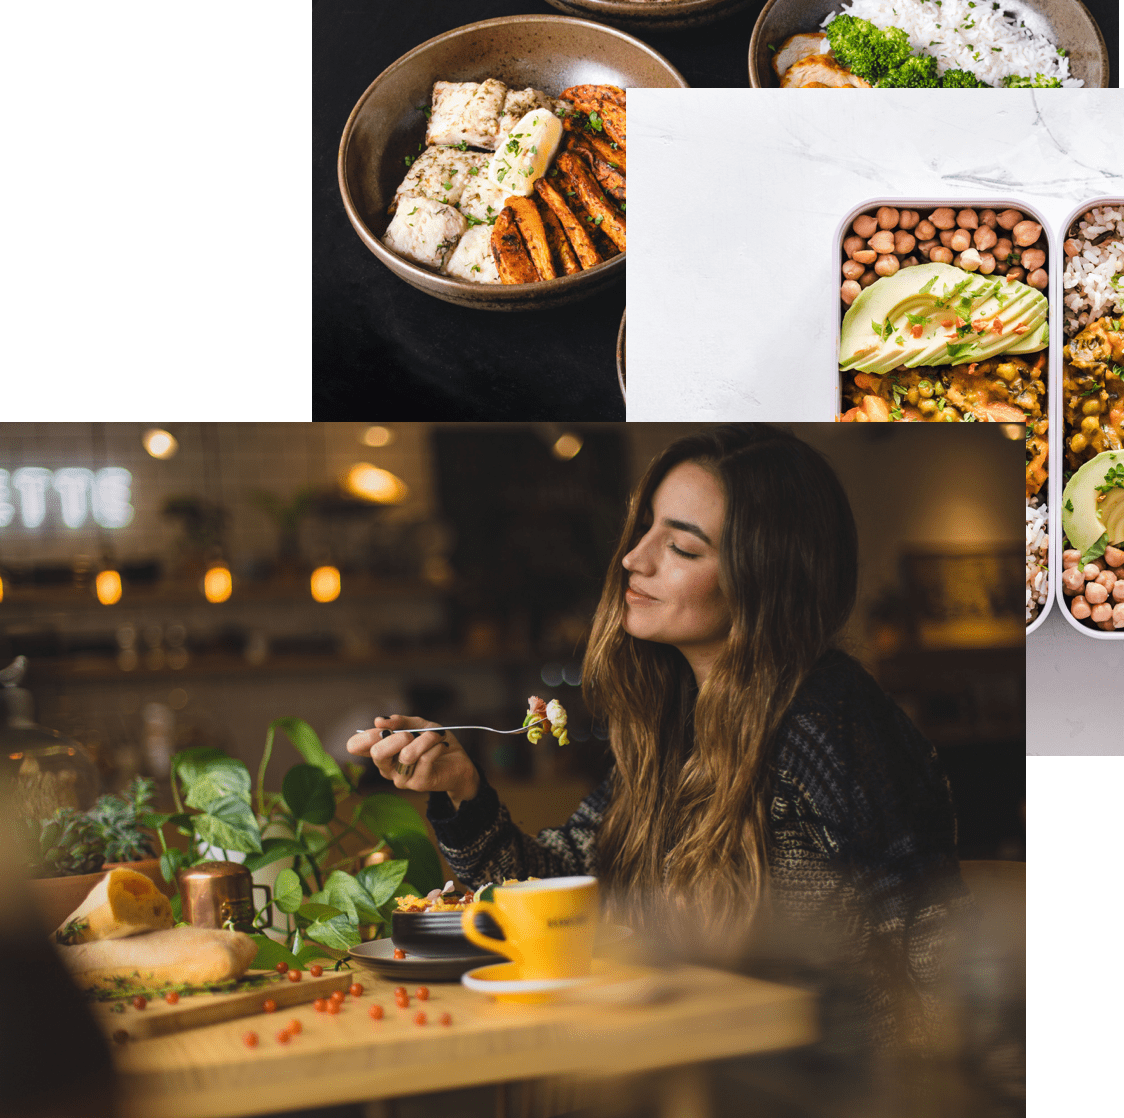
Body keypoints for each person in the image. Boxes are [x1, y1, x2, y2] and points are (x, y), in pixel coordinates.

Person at [347, 425, 963, 1038]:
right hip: (690, 1058)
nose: (632, 559)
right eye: (646, 530)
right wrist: (463, 790)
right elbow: (567, 886)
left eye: (684, 549)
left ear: (766, 579)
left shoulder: (827, 722)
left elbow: (933, 947)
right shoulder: (676, 722)